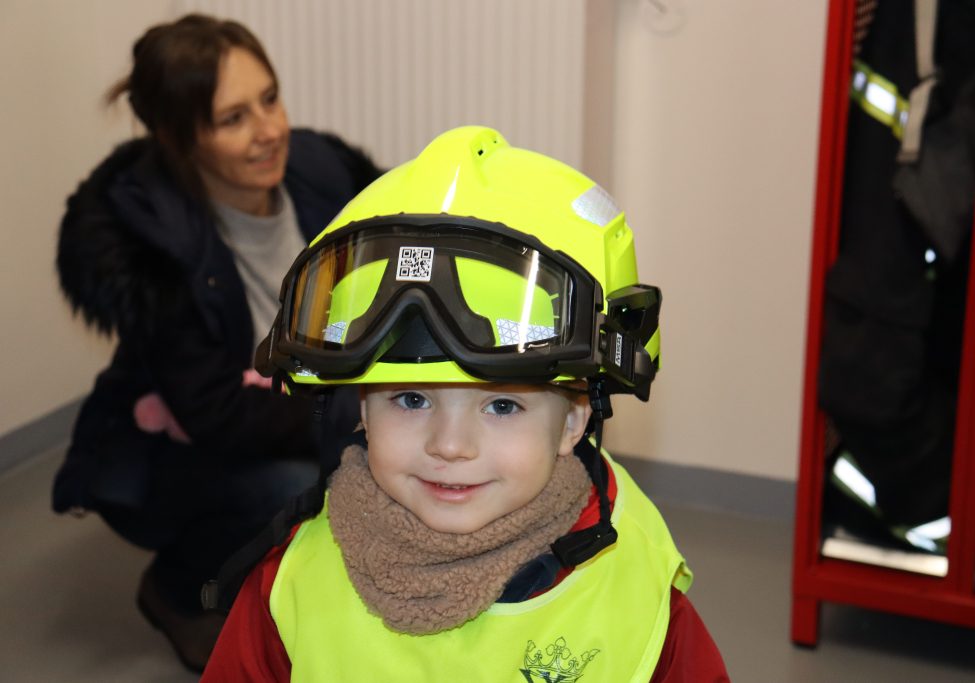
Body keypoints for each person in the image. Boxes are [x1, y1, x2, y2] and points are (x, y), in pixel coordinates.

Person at [201, 126, 729, 681]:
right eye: (411, 399)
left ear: (575, 420)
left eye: (501, 406)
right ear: (362, 409)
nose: (449, 446)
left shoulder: (632, 590)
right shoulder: (291, 581)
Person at [53, 13, 381, 672]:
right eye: (233, 118)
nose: (270, 130)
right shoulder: (152, 245)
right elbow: (219, 415)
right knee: (295, 487)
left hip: (305, 407)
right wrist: (360, 414)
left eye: (270, 98)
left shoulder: (319, 172)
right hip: (175, 450)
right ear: (182, 138)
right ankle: (177, 590)